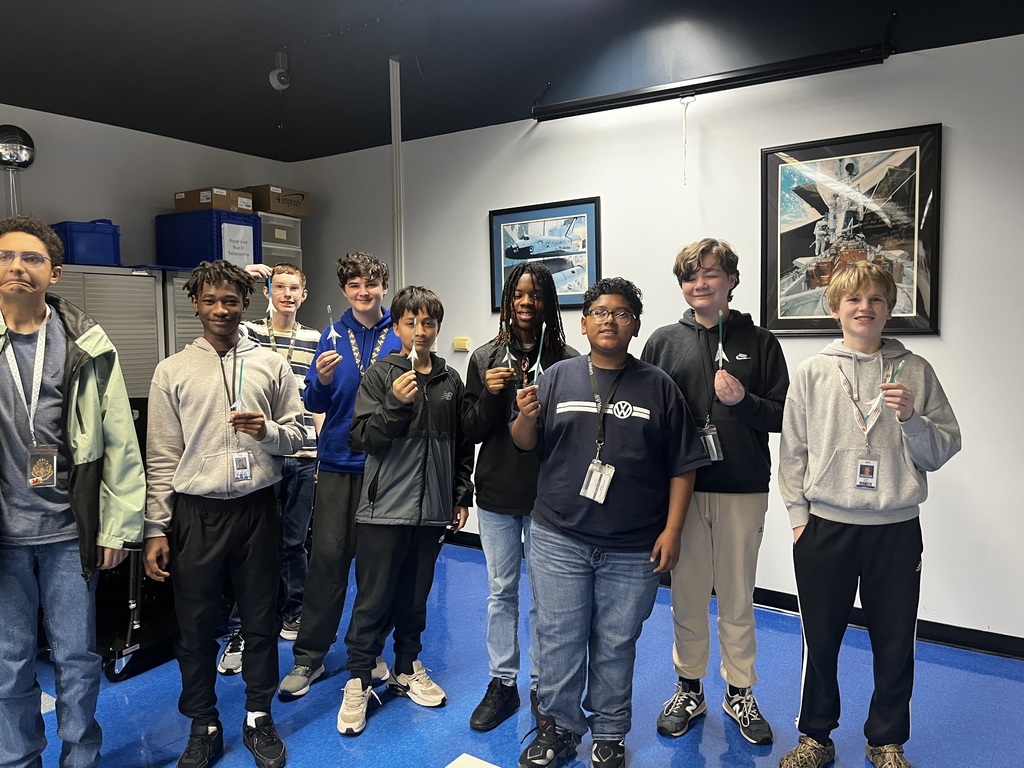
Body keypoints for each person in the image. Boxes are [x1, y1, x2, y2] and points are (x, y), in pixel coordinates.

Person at [512, 277, 709, 768]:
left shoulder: (658, 386)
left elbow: (683, 464)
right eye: (599, 311)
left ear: (635, 325)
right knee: (558, 637)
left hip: (632, 545)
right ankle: (558, 729)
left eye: (621, 313)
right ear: (583, 322)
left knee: (616, 642)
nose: (609, 320)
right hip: (559, 536)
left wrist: (672, 530)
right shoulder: (557, 376)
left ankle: (609, 733)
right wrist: (523, 416)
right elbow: (523, 443)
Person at [777, 260, 961, 768]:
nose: (865, 308)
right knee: (821, 637)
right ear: (835, 307)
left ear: (890, 307)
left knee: (896, 637)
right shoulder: (813, 372)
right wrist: (798, 515)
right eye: (854, 300)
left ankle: (886, 739)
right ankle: (816, 735)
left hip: (895, 529)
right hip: (826, 528)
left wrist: (911, 420)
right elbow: (791, 454)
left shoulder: (917, 371)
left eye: (876, 300)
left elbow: (943, 448)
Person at [144, 260, 305, 768]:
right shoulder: (172, 370)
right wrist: (155, 527)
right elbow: (162, 457)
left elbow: (300, 434)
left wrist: (268, 434)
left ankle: (258, 715)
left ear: (245, 305)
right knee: (194, 626)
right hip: (196, 514)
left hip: (258, 508)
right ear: (194, 303)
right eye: (210, 300)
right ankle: (203, 722)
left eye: (230, 301)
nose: (220, 310)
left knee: (261, 619)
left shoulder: (271, 365)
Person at [0, 214, 146, 768]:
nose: (18, 266)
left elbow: (120, 443)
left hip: (68, 532)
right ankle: (18, 760)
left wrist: (117, 527)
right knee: (10, 661)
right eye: (7, 256)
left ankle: (81, 757)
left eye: (32, 258)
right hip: (5, 538)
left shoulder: (86, 343)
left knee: (78, 658)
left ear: (54, 273)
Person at [641, 238, 788, 745]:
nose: (700, 284)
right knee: (685, 593)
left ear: (730, 280)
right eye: (690, 276)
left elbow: (784, 415)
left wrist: (744, 401)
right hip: (682, 491)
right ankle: (689, 687)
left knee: (737, 596)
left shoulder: (762, 342)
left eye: (710, 273)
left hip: (743, 489)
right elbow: (646, 416)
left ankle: (740, 690)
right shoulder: (662, 342)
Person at [336, 285, 474, 736]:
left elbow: (459, 445)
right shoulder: (381, 374)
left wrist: (459, 494)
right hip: (383, 509)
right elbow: (362, 439)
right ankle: (358, 677)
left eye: (428, 322)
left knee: (415, 597)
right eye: (411, 322)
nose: (420, 330)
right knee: (373, 598)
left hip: (431, 511)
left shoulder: (450, 381)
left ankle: (406, 664)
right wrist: (396, 403)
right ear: (396, 327)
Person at [277, 251, 402, 700]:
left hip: (385, 468)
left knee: (376, 568)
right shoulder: (331, 335)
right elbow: (314, 401)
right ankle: (309, 658)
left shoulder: (400, 335)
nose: (363, 292)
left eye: (370, 283)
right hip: (335, 464)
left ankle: (366, 652)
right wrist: (324, 382)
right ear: (344, 291)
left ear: (383, 285)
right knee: (327, 563)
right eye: (354, 285)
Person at [463, 262, 578, 732]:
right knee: (500, 592)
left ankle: (542, 686)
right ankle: (502, 684)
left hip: (549, 497)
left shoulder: (569, 360)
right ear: (508, 301)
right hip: (496, 494)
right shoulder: (486, 357)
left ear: (548, 300)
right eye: (518, 294)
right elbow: (468, 431)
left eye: (535, 295)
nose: (526, 302)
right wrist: (491, 396)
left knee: (548, 599)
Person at [214, 262, 323, 678]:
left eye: (294, 288)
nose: (287, 294)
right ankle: (241, 629)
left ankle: (293, 613)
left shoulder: (315, 338)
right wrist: (243, 274)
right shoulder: (251, 335)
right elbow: (224, 319)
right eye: (279, 286)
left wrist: (320, 454)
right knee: (253, 545)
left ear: (304, 294)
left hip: (302, 453)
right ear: (267, 292)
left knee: (295, 543)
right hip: (260, 452)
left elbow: (319, 400)